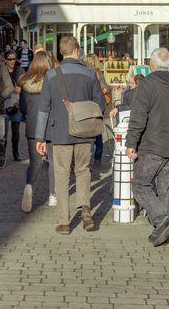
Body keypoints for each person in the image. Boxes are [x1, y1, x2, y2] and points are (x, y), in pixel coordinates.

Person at [33, 36, 105, 235]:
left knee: (62, 175)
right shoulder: (90, 74)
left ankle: (64, 222)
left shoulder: (51, 75)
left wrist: (40, 138)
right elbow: (101, 105)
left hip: (60, 133)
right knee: (83, 171)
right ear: (77, 50)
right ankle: (86, 210)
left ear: (62, 52)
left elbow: (43, 109)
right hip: (84, 132)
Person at [125, 47, 169, 246]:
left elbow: (138, 117)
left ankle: (161, 221)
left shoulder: (147, 85)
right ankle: (162, 231)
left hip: (151, 145)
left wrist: (131, 143)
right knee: (166, 190)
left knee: (140, 184)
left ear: (151, 66)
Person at [17, 50, 57, 213]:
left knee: (35, 162)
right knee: (54, 162)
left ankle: (29, 185)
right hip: (52, 126)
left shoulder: (25, 84)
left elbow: (22, 107)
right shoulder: (53, 82)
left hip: (33, 127)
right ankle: (53, 196)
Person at [83, 54, 111, 167]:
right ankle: (97, 158)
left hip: (87, 105)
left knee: (85, 132)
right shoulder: (99, 74)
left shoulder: (85, 74)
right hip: (98, 106)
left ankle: (84, 156)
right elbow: (106, 88)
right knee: (98, 132)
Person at [2, 49, 25, 162]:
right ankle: (2, 156)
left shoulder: (19, 70)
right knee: (3, 134)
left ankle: (15, 152)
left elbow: (20, 89)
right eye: (9, 59)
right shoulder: (2, 71)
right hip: (4, 105)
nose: (12, 61)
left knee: (15, 133)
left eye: (14, 59)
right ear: (5, 60)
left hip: (16, 104)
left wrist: (14, 88)